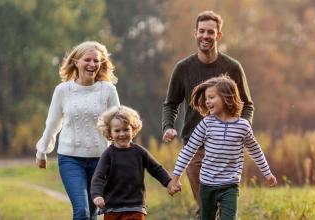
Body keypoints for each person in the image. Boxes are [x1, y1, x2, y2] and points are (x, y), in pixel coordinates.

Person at [161, 10, 255, 217]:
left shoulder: (232, 67)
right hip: (195, 148)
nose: (205, 36)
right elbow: (170, 104)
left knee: (226, 207)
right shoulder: (183, 68)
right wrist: (168, 126)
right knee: (205, 208)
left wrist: (241, 128)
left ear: (218, 35)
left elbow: (247, 105)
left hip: (226, 148)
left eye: (210, 32)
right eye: (201, 31)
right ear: (195, 33)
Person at [168, 76, 276, 220]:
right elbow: (188, 151)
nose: (207, 101)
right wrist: (175, 177)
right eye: (206, 98)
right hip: (207, 185)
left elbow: (255, 150)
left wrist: (267, 173)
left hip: (230, 186)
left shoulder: (242, 126)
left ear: (227, 97)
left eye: (211, 97)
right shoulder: (206, 124)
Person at [35, 41, 120, 220]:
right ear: (76, 62)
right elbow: (52, 123)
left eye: (96, 61)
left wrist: (123, 155)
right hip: (70, 159)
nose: (92, 65)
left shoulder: (108, 90)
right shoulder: (63, 90)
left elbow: (117, 125)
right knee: (81, 212)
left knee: (94, 213)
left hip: (100, 160)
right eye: (87, 60)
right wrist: (42, 151)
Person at [91, 106, 174, 220]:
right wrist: (97, 195)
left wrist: (169, 182)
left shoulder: (140, 152)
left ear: (133, 129)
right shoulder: (108, 154)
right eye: (117, 130)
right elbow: (98, 177)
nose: (122, 134)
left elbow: (156, 169)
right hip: (112, 208)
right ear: (109, 132)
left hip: (135, 207)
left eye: (126, 129)